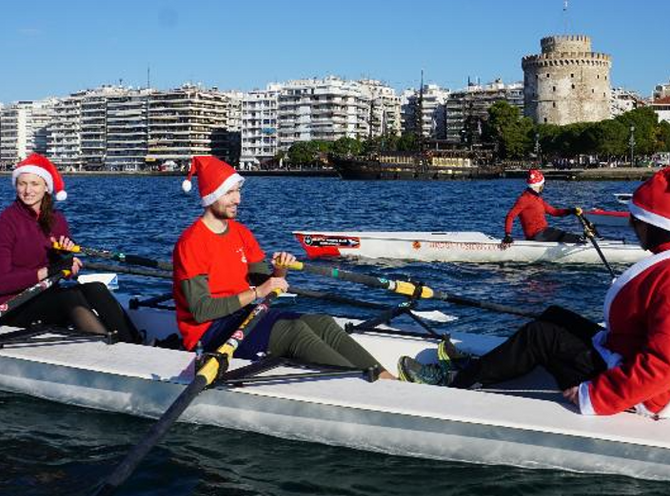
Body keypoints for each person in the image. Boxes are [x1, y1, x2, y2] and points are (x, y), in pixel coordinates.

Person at [398, 166, 670, 419]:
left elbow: (663, 364)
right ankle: (483, 366)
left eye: (636, 221)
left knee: (541, 336)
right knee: (555, 316)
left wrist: (597, 397)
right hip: (625, 358)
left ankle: (456, 381)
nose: (633, 228)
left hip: (645, 398)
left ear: (654, 225)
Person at [173, 155, 394, 378]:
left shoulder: (241, 233)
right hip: (209, 332)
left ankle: (387, 380)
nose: (238, 199)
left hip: (242, 316)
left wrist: (280, 270)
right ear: (211, 196)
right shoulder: (191, 243)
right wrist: (258, 292)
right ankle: (360, 384)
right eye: (229, 192)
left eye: (238, 191)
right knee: (293, 332)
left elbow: (264, 282)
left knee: (322, 322)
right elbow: (201, 311)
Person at [0, 153, 141, 343]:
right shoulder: (6, 222)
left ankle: (134, 344)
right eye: (22, 183)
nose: (27, 190)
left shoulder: (57, 220)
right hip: (13, 305)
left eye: (34, 184)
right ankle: (106, 351)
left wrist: (67, 261)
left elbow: (65, 272)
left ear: (46, 188)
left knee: (96, 289)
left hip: (45, 294)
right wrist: (43, 273)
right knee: (70, 296)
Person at [501, 168, 584, 246]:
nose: (544, 186)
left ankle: (581, 240)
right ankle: (582, 242)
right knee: (571, 237)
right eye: (544, 184)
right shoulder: (524, 199)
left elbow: (554, 212)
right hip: (538, 235)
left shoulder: (537, 199)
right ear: (540, 185)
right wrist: (508, 235)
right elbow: (510, 216)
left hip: (542, 233)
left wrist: (571, 211)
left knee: (567, 236)